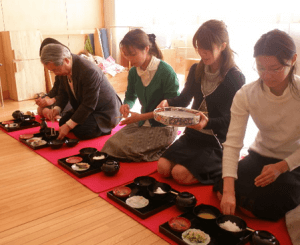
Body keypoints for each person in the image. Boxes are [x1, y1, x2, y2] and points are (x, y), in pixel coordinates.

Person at [218, 29, 300, 221]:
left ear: (293, 60)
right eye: (261, 67)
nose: (267, 75)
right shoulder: (247, 94)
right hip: (259, 155)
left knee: (260, 207)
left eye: (275, 68)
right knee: (222, 190)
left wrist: (281, 166)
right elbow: (232, 144)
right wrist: (229, 191)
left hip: (293, 161)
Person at [157, 20, 245, 185]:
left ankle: (228, 163)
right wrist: (167, 102)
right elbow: (184, 99)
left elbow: (235, 120)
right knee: (163, 167)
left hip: (217, 140)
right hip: (193, 135)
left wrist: (207, 123)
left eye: (208, 49)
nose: (202, 53)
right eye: (199, 47)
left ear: (223, 46)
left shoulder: (235, 78)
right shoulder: (196, 69)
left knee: (179, 174)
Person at [101, 29, 180, 162]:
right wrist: (126, 104)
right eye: (126, 55)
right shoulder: (133, 72)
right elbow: (130, 95)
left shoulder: (166, 71)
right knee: (111, 145)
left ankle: (163, 149)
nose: (129, 59)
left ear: (146, 49)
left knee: (123, 149)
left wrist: (141, 117)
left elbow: (173, 108)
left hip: (163, 126)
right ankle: (155, 149)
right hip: (144, 121)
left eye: (133, 54)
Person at [40, 38, 122, 140]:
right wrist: (57, 109)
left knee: (81, 130)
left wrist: (69, 125)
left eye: (55, 70)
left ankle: (105, 128)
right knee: (62, 122)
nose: (55, 73)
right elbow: (63, 93)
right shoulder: (63, 67)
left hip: (104, 112)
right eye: (52, 71)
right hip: (88, 108)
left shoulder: (89, 71)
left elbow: (89, 104)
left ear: (66, 61)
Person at [36, 38, 72, 120]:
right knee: (40, 109)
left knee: (46, 110)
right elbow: (56, 89)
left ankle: (58, 117)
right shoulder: (59, 69)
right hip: (61, 100)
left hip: (71, 101)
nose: (55, 72)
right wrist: (45, 98)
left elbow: (68, 95)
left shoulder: (67, 67)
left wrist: (52, 100)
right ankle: (55, 116)